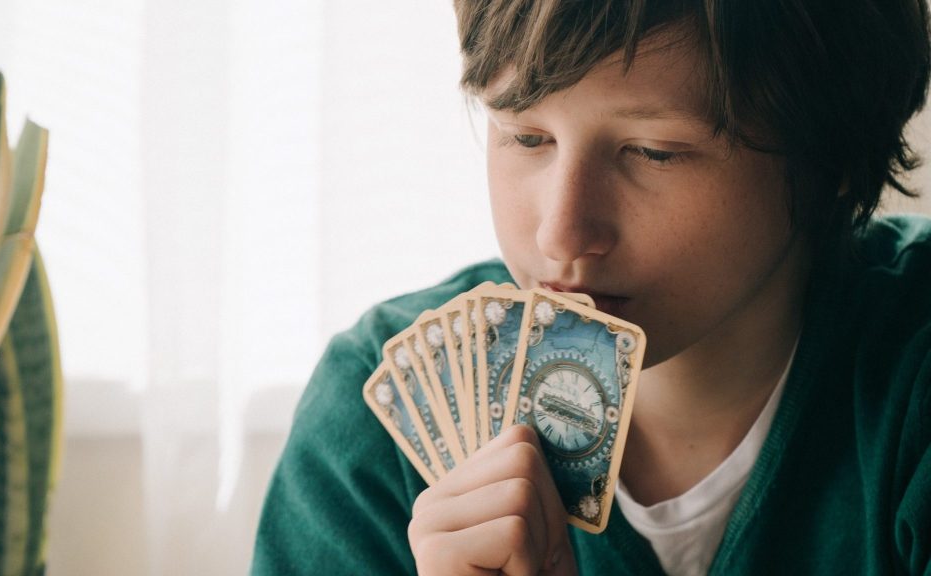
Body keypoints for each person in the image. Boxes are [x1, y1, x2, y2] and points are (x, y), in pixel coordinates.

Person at [251, 0, 931, 574]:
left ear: (833, 158)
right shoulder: (386, 415)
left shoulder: (909, 380)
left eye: (653, 152)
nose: (561, 233)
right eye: (524, 137)